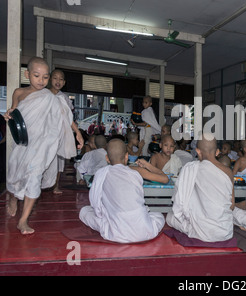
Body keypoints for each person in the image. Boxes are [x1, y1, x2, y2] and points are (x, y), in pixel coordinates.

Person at [4, 57, 77, 235]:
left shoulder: (50, 97)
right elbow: (14, 113)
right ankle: (13, 197)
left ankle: (23, 220)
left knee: (35, 177)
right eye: (37, 76)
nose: (41, 81)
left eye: (45, 77)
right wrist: (8, 115)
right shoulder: (19, 92)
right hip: (22, 143)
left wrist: (77, 133)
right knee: (15, 175)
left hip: (41, 145)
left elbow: (63, 119)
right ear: (27, 74)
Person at [79, 139, 165, 243]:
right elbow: (165, 178)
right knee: (159, 216)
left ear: (107, 158)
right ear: (126, 156)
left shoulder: (101, 173)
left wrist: (103, 214)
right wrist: (147, 164)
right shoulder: (135, 171)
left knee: (84, 211)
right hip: (143, 232)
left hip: (115, 233)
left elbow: (95, 202)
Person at [166, 133, 235, 242]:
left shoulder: (191, 169)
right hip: (224, 231)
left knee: (169, 218)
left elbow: (180, 202)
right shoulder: (229, 172)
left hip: (201, 231)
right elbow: (232, 205)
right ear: (217, 152)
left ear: (198, 151)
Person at [46, 69, 84, 195]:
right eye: (55, 78)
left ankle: (55, 185)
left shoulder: (64, 98)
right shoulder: (43, 95)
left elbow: (69, 119)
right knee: (42, 161)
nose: (58, 81)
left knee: (58, 163)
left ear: (64, 82)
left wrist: (78, 133)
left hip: (60, 135)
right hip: (45, 135)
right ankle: (38, 186)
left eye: (61, 79)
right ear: (50, 79)